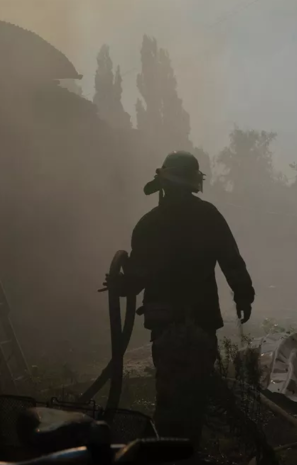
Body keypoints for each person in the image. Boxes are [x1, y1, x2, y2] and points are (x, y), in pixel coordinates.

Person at [109, 151, 255, 448]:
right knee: (196, 393)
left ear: (163, 184)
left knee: (169, 393)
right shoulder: (208, 216)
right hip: (201, 320)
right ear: (193, 184)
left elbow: (137, 277)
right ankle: (187, 449)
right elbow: (231, 259)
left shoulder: (149, 224)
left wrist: (121, 284)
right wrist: (243, 294)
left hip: (165, 323)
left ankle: (168, 450)